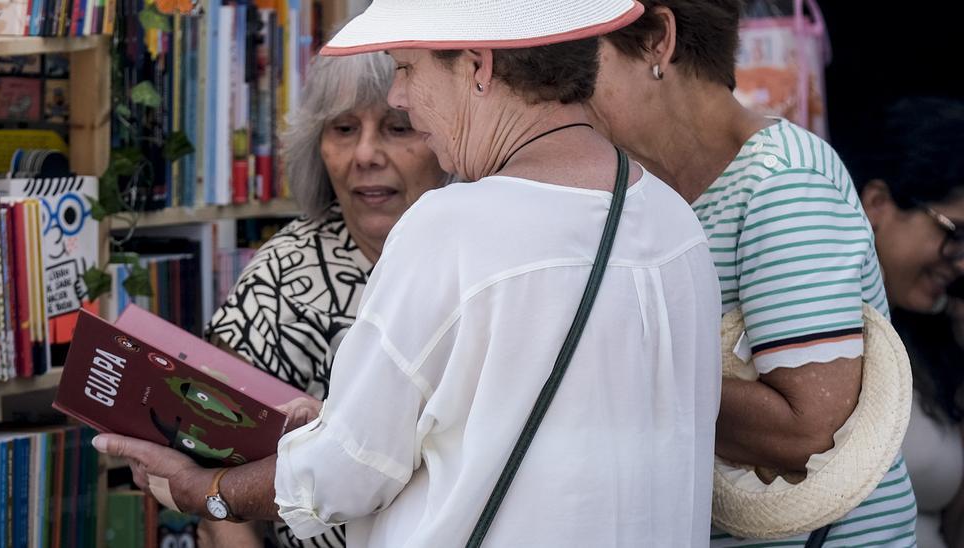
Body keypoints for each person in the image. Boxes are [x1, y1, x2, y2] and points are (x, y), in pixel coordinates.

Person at [94, 0, 723, 545]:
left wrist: (210, 489)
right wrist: (341, 423)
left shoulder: (450, 227)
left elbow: (347, 474)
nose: (397, 94)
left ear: (478, 67)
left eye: (406, 68)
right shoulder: (674, 222)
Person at [587, 0, 917, 545]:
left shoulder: (782, 182)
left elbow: (809, 431)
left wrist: (608, 367)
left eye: (580, 55)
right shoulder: (643, 193)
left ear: (656, 42)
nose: (558, 85)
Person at [201, 51, 449, 548]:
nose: (365, 155)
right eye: (343, 129)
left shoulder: (481, 259)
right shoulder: (278, 277)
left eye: (397, 128)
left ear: (447, 138)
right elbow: (212, 478)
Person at [858, 97, 964, 548]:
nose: (961, 263)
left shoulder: (926, 341)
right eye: (954, 234)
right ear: (879, 203)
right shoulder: (818, 332)